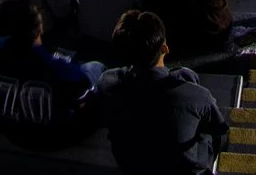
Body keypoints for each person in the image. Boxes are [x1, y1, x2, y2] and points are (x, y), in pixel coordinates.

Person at [93, 9, 230, 175]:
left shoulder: (107, 83)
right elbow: (219, 128)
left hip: (131, 163)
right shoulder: (196, 95)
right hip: (184, 167)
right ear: (164, 48)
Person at [0, 0, 102, 148]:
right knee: (95, 67)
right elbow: (86, 105)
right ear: (37, 25)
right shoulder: (59, 65)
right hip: (53, 140)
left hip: (12, 133)